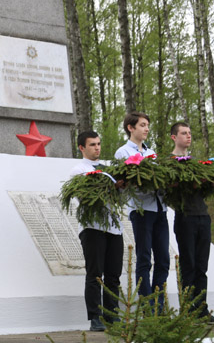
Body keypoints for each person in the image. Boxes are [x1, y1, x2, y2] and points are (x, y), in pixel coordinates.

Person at [114, 112, 169, 308]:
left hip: (160, 209)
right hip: (141, 210)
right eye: (142, 125)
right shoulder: (122, 153)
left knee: (163, 259)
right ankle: (147, 306)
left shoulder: (151, 152)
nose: (146, 129)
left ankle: (159, 304)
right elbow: (126, 181)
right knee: (144, 259)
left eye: (147, 125)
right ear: (131, 127)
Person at [70, 131, 123, 332]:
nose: (97, 148)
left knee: (113, 274)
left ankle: (112, 314)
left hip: (113, 227)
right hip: (92, 226)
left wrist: (120, 185)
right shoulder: (78, 170)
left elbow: (120, 195)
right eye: (92, 144)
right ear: (82, 148)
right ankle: (95, 317)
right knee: (95, 274)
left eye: (99, 144)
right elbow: (84, 196)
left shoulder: (109, 168)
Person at [170, 122, 214, 321]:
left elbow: (205, 191)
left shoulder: (197, 163)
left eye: (190, 133)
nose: (188, 136)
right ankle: (188, 310)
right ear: (174, 137)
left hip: (203, 217)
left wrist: (209, 182)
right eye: (183, 133)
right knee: (188, 265)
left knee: (202, 266)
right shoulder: (170, 162)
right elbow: (169, 190)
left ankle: (202, 310)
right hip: (185, 217)